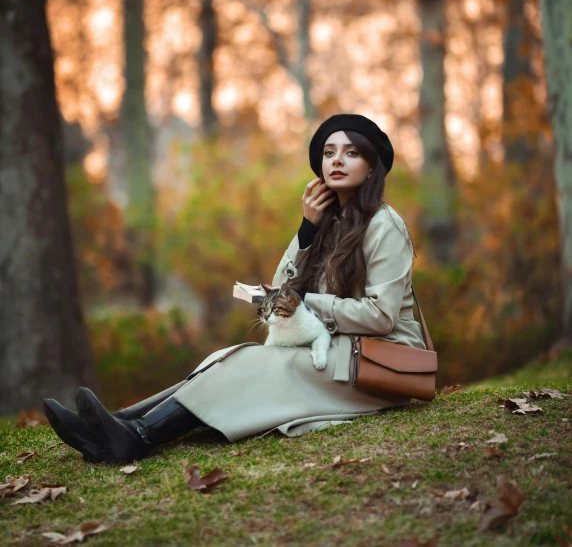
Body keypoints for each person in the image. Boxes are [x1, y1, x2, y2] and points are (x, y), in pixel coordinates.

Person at [43, 113, 427, 464]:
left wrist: (309, 302)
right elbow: (282, 289)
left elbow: (380, 317)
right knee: (225, 357)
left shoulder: (384, 226)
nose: (337, 161)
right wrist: (307, 229)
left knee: (246, 363)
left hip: (379, 364)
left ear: (372, 164)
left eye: (352, 152)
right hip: (338, 351)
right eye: (329, 152)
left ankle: (138, 437)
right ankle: (115, 425)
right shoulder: (329, 222)